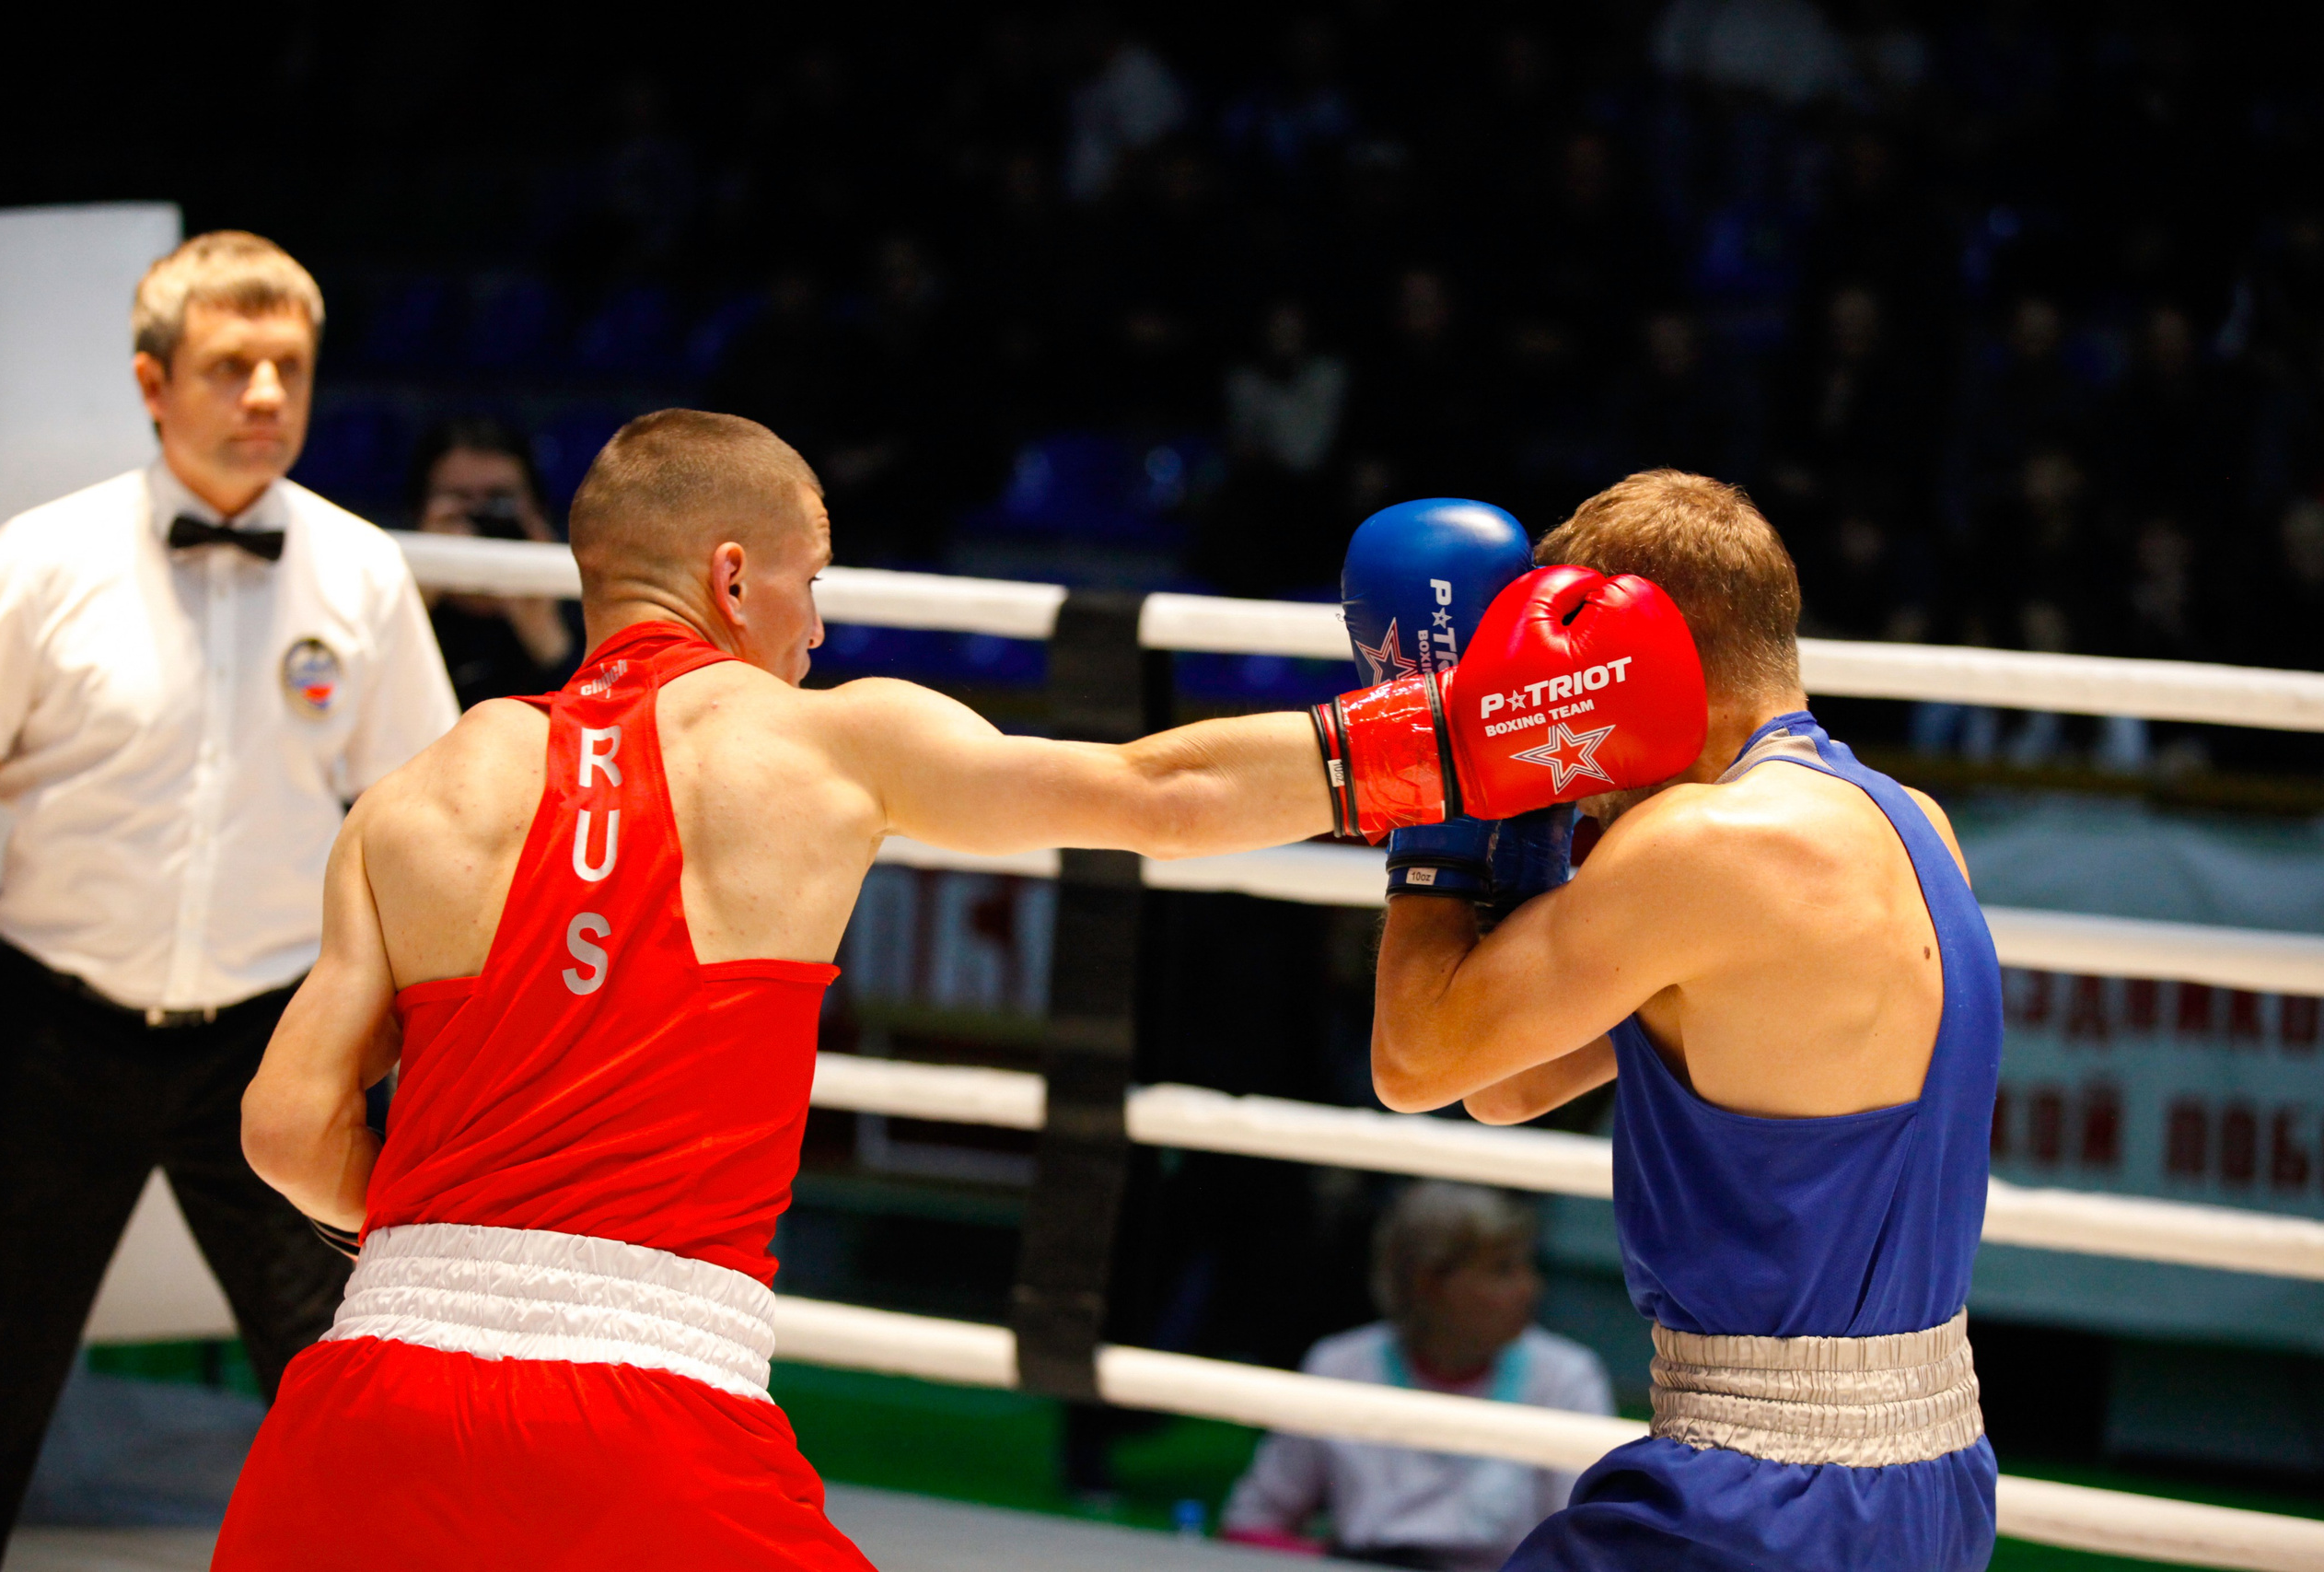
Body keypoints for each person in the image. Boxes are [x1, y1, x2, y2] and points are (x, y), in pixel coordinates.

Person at [210, 410, 1702, 1568]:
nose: (819, 626)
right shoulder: (819, 742)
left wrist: (469, 1266)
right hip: (638, 1413)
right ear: (735, 575)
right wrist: (1449, 743)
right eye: (812, 582)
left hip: (366, 1402)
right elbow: (1155, 794)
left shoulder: (417, 794)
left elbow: (284, 1129)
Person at [1371, 469, 2001, 1572]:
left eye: (1563, 676)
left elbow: (1416, 1062)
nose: (1551, 702)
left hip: (1759, 1501)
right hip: (1929, 1486)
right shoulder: (1912, 825)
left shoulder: (1700, 851)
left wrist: (1444, 787)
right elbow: (1504, 1083)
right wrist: (1539, 820)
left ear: (1630, 656)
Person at [0, 231, 459, 1562]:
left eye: (286, 367)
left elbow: (422, 819)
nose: (262, 396)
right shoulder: (40, 558)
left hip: (274, 1030)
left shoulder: (360, 572)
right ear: (152, 380)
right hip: (52, 1025)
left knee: (353, 1368)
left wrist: (414, 1033)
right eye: (230, 365)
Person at [1222, 1182, 1614, 1570]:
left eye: (1528, 1266)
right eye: (1502, 1270)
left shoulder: (1566, 1376)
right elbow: (1251, 1523)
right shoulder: (1340, 1366)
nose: (1530, 1288)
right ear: (1429, 1282)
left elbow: (1585, 1547)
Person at [406, 415, 579, 708]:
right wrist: (410, 609)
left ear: (538, 512)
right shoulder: (384, 612)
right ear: (420, 516)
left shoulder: (585, 611)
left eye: (499, 501)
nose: (479, 521)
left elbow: (608, 733)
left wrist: (547, 638)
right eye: (458, 500)